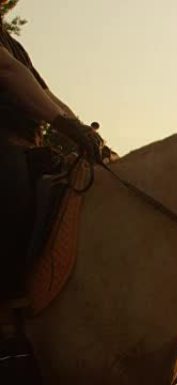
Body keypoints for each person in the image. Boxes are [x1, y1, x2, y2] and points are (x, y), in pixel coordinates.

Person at [0, 15, 106, 302]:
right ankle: (8, 306)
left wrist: (83, 131)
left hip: (27, 144)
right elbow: (7, 71)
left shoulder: (13, 43)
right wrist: (64, 124)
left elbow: (46, 95)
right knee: (13, 189)